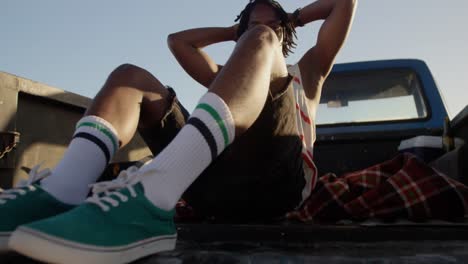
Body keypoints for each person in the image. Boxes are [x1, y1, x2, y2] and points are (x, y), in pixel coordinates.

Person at [0, 0, 357, 263]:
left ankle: (153, 195)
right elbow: (178, 42)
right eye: (249, 27)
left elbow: (344, 3)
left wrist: (287, 22)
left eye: (273, 26)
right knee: (129, 76)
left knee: (261, 42)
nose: (261, 31)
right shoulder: (228, 77)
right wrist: (239, 33)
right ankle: (61, 190)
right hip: (211, 187)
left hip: (276, 189)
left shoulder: (309, 71)